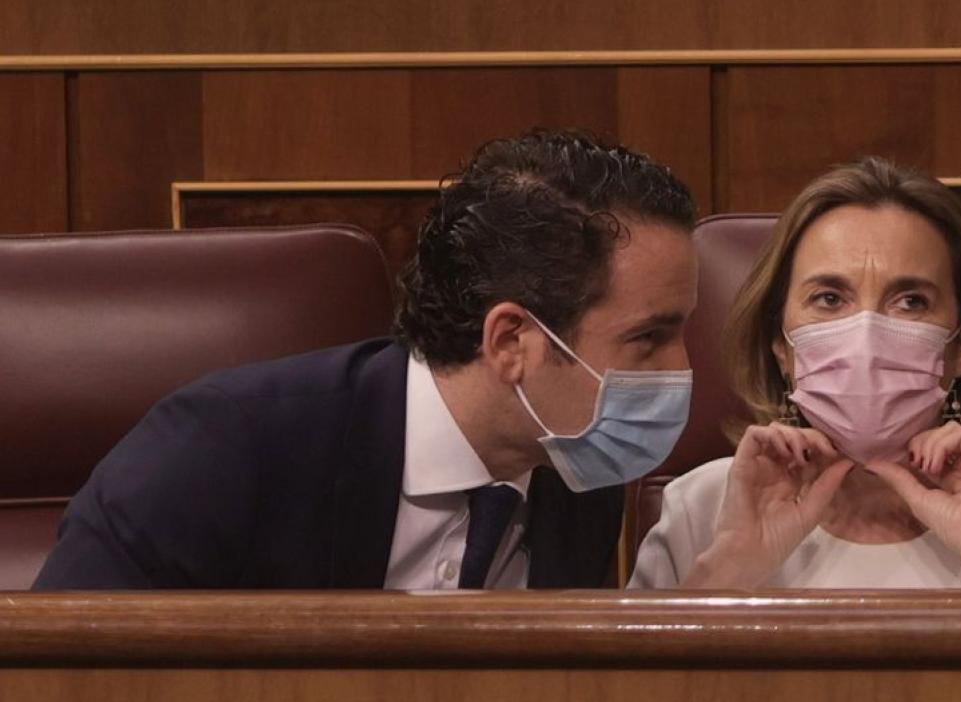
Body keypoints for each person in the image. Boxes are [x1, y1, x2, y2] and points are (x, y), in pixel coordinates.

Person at [34, 129, 698, 590]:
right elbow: (59, 693)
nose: (683, 368)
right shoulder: (225, 448)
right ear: (509, 344)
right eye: (649, 338)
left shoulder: (577, 477)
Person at [630, 157, 961, 589]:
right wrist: (730, 570)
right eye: (829, 299)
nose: (867, 334)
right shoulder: (702, 508)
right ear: (780, 349)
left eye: (911, 301)